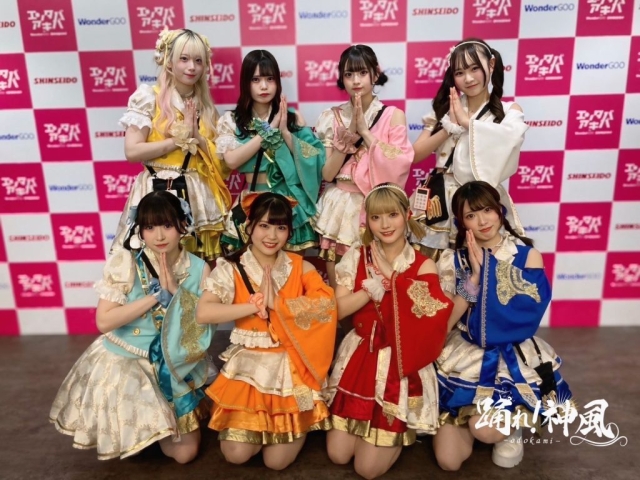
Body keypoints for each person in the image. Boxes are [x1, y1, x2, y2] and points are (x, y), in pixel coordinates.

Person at [50, 191, 214, 462]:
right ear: (140, 230)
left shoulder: (199, 269)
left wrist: (176, 292)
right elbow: (104, 321)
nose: (159, 236)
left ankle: (155, 428)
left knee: (185, 454)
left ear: (182, 225)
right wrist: (155, 297)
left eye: (167, 225)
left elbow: (204, 326)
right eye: (149, 227)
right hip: (128, 361)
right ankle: (142, 426)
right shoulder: (125, 263)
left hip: (175, 363)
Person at [433, 181, 573, 470]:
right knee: (448, 462)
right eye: (471, 215)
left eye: (487, 210)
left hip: (511, 353)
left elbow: (525, 315)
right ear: (461, 222)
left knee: (484, 430)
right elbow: (446, 321)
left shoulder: (526, 256)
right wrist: (474, 278)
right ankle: (470, 416)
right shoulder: (453, 260)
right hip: (466, 351)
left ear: (500, 210)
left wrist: (491, 272)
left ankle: (512, 425)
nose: (482, 221)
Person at [196, 192, 337, 470]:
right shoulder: (231, 267)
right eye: (264, 225)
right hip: (249, 365)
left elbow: (327, 306)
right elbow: (204, 312)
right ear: (249, 227)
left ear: (289, 232)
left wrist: (278, 304)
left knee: (277, 462)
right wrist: (252, 306)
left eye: (281, 227)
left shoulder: (301, 266)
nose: (272, 236)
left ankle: (287, 427)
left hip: (292, 365)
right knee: (236, 454)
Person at [325, 183, 453, 479]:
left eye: (392, 215)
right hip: (360, 355)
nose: (385, 225)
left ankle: (398, 430)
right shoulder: (356, 256)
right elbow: (338, 310)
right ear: (367, 221)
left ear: (407, 215)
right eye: (376, 217)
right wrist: (369, 291)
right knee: (338, 455)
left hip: (401, 362)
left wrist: (393, 280)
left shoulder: (424, 264)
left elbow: (430, 319)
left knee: (366, 469)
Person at [113, 27, 231, 260]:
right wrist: (176, 141)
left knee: (196, 267)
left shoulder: (207, 108)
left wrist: (197, 137)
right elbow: (132, 151)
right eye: (184, 59)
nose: (192, 67)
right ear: (168, 61)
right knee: (155, 262)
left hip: (198, 194)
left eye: (198, 61)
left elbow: (223, 163)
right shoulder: (148, 97)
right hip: (157, 190)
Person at [412, 38, 528, 261]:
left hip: (478, 202)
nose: (468, 78)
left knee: (482, 266)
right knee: (433, 267)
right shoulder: (445, 109)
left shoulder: (507, 111)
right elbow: (415, 155)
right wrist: (449, 128)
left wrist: (467, 123)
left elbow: (510, 140)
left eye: (475, 68)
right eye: (460, 72)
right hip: (438, 201)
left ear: (491, 65)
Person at [313, 45, 414, 288]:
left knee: (379, 282)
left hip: (377, 207)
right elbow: (327, 173)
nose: (356, 81)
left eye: (362, 73)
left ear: (375, 75)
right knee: (341, 285)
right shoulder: (331, 116)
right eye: (349, 74)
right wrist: (347, 139)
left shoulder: (393, 115)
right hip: (340, 205)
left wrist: (365, 133)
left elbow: (399, 166)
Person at [216, 50, 325, 253]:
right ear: (245, 82)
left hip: (287, 201)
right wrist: (269, 130)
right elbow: (231, 160)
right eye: (256, 79)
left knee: (291, 266)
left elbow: (314, 157)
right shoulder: (232, 120)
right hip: (252, 200)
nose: (264, 86)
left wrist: (284, 132)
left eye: (270, 79)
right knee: (250, 265)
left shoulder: (292, 117)